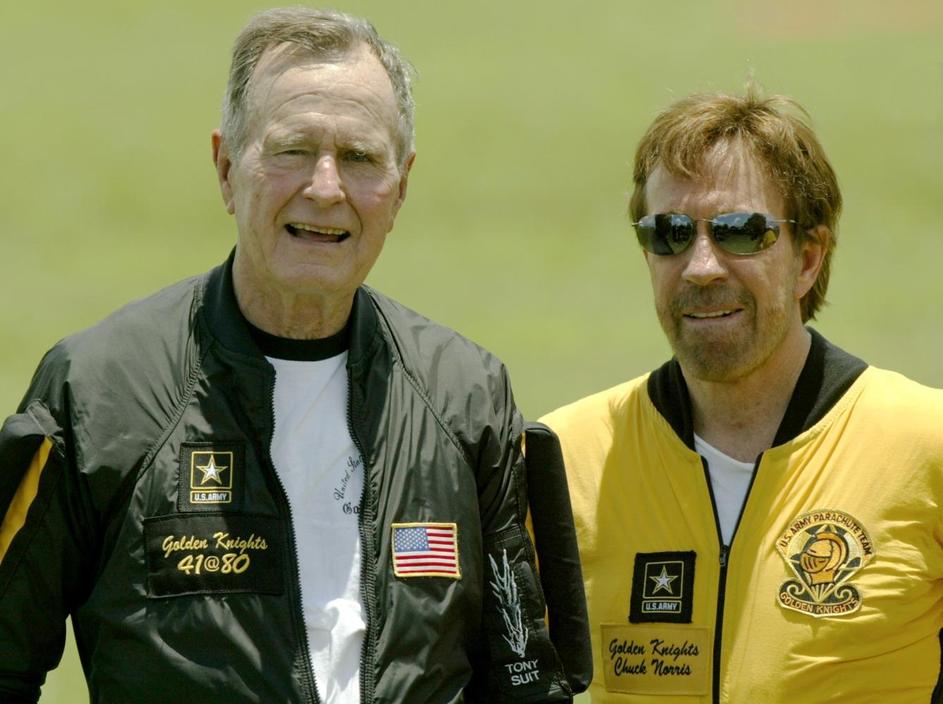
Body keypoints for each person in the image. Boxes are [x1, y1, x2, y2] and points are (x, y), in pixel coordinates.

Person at [0, 8, 583, 703]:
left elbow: (528, 683)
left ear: (400, 187)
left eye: (359, 158)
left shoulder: (467, 397)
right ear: (226, 168)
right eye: (292, 151)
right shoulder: (100, 392)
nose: (326, 188)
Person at [541, 88, 943, 702]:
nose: (701, 266)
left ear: (808, 258)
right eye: (670, 233)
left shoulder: (925, 445)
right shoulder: (561, 459)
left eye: (741, 232)